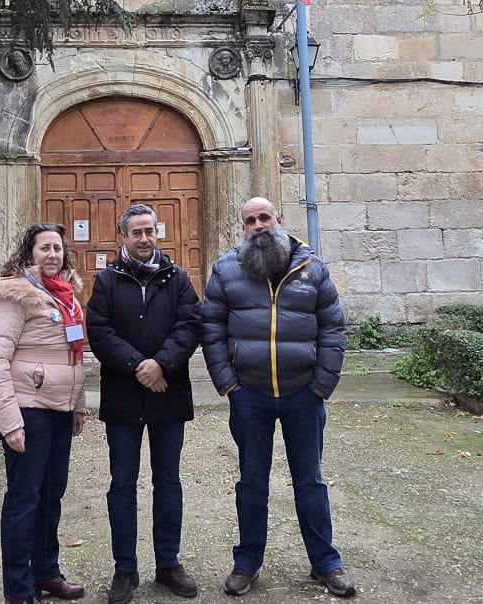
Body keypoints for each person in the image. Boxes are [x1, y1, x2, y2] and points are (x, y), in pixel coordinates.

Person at [201, 197, 354, 598]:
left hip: (303, 394)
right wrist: (229, 385)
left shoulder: (311, 268)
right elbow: (211, 330)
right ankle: (247, 563)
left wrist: (322, 384)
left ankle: (326, 563)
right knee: (252, 483)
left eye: (264, 217)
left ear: (278, 220)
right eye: (250, 220)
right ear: (244, 227)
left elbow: (333, 327)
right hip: (249, 396)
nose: (258, 225)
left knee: (310, 481)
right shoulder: (226, 269)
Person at [87, 205, 204, 603]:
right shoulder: (107, 280)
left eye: (149, 231)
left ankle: (168, 564)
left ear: (158, 232)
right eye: (136, 232)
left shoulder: (177, 278)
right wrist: (140, 365)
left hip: (167, 393)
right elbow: (99, 331)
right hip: (123, 396)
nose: (144, 238)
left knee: (168, 481)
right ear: (124, 236)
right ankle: (125, 569)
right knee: (122, 483)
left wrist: (162, 364)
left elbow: (190, 325)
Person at [0, 222, 90, 604]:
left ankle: (46, 573)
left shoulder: (66, 294)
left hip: (60, 410)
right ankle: (18, 589)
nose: (52, 255)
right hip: (29, 410)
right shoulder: (15, 294)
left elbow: (73, 356)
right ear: (29, 253)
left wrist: (78, 405)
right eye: (45, 248)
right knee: (24, 500)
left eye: (57, 248)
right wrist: (9, 422)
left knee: (51, 496)